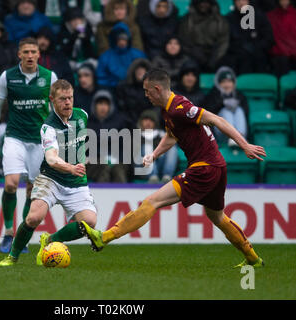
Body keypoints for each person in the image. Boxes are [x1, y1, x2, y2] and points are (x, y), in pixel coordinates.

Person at [80, 68, 266, 269]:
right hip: (216, 166)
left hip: (205, 168)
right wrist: (154, 154)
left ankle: (104, 237)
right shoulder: (170, 109)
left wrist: (244, 145)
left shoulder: (179, 107)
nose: (146, 95)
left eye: (147, 91)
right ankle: (253, 257)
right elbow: (171, 136)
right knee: (218, 217)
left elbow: (217, 120)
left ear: (157, 89)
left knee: (152, 202)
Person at [0, 79, 97, 267]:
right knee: (33, 217)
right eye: (62, 99)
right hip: (51, 179)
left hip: (76, 183)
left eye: (70, 98)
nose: (67, 102)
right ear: (52, 100)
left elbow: (80, 143)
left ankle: (50, 241)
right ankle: (13, 256)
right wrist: (72, 167)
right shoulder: (48, 127)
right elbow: (51, 159)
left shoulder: (82, 115)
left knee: (90, 222)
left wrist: (83, 159)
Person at [0, 37, 58, 254]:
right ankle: (8, 233)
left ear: (38, 54)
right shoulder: (7, 77)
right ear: (19, 54)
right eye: (25, 51)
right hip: (15, 137)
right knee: (11, 184)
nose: (29, 56)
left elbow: (57, 110)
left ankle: (22, 237)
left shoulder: (49, 77)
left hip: (39, 141)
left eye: (33, 52)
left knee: (31, 191)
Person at [86, 89, 132, 183]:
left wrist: (118, 158)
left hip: (117, 160)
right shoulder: (87, 124)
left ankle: (121, 196)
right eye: (100, 103)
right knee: (104, 166)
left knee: (118, 170)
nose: (103, 107)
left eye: (106, 104)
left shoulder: (120, 122)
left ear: (110, 106)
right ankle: (102, 197)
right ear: (94, 105)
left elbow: (125, 146)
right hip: (94, 161)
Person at [224, 0, 274, 75]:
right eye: (238, 1)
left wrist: (255, 47)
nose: (241, 3)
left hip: (258, 54)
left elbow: (269, 38)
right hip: (238, 56)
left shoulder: (259, 17)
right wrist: (242, 48)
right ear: (234, 2)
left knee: (261, 59)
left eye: (244, 0)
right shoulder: (229, 19)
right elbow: (225, 41)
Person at [178, 0, 229, 72]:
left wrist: (216, 57)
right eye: (201, 2)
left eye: (206, 2)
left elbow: (223, 42)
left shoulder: (220, 21)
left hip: (214, 53)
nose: (203, 5)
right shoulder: (187, 20)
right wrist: (194, 52)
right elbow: (184, 41)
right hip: (193, 54)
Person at [204, 66, 249, 146]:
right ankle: (233, 137)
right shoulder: (213, 95)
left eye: (229, 81)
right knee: (226, 110)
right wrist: (222, 104)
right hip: (220, 133)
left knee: (239, 110)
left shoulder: (239, 95)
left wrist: (236, 105)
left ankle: (240, 137)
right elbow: (209, 114)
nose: (227, 85)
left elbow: (246, 113)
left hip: (238, 132)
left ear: (233, 83)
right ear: (219, 83)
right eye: (223, 82)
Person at [96, 22, 146, 89]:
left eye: (124, 39)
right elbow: (101, 79)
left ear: (128, 39)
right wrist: (115, 84)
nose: (122, 42)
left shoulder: (138, 55)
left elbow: (145, 75)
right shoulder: (105, 57)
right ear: (114, 39)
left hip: (135, 90)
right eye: (119, 39)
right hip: (113, 90)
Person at [134, 109, 178, 183]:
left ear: (155, 123)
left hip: (161, 164)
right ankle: (152, 176)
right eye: (145, 120)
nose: (148, 122)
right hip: (143, 167)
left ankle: (167, 176)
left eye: (151, 120)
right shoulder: (136, 136)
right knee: (146, 147)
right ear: (141, 121)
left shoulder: (162, 135)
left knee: (172, 148)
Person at [115, 58, 156, 126]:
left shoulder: (153, 89)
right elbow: (120, 109)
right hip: (127, 124)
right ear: (133, 71)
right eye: (138, 70)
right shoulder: (123, 87)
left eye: (143, 70)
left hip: (148, 123)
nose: (140, 72)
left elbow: (156, 108)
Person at [56, 7, 97, 72]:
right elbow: (62, 54)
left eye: (79, 19)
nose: (76, 22)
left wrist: (86, 40)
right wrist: (72, 39)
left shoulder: (89, 31)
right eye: (73, 20)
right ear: (68, 22)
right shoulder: (63, 34)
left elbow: (93, 54)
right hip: (71, 63)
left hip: (87, 61)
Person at [267, 0, 296, 76]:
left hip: (293, 49)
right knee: (281, 60)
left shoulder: (294, 14)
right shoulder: (271, 16)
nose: (284, 1)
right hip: (280, 52)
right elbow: (272, 38)